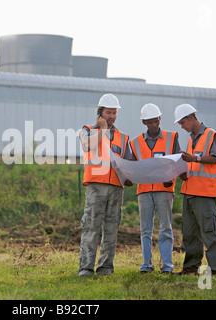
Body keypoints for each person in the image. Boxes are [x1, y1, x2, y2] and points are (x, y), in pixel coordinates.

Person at [78, 93, 133, 276]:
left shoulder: (123, 137)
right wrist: (101, 130)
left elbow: (129, 162)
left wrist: (130, 176)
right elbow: (88, 147)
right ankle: (86, 268)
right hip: (96, 186)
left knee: (111, 229)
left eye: (114, 113)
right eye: (108, 113)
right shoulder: (87, 130)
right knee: (91, 226)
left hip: (116, 188)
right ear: (100, 113)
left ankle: (105, 267)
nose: (112, 116)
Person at [129, 103, 181, 274]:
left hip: (164, 190)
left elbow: (178, 162)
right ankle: (146, 265)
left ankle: (167, 266)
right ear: (144, 122)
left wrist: (170, 178)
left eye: (156, 121)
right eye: (150, 122)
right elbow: (132, 167)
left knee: (166, 228)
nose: (154, 125)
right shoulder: (135, 143)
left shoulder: (172, 137)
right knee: (145, 229)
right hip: (144, 191)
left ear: (160, 119)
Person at [174, 103, 216, 276]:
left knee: (209, 232)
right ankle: (191, 267)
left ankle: (215, 270)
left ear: (191, 118)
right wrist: (183, 172)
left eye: (182, 122)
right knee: (190, 233)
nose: (182, 126)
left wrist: (194, 158)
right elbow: (193, 164)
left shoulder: (210, 134)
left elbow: (215, 158)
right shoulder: (190, 139)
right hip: (189, 191)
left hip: (204, 192)